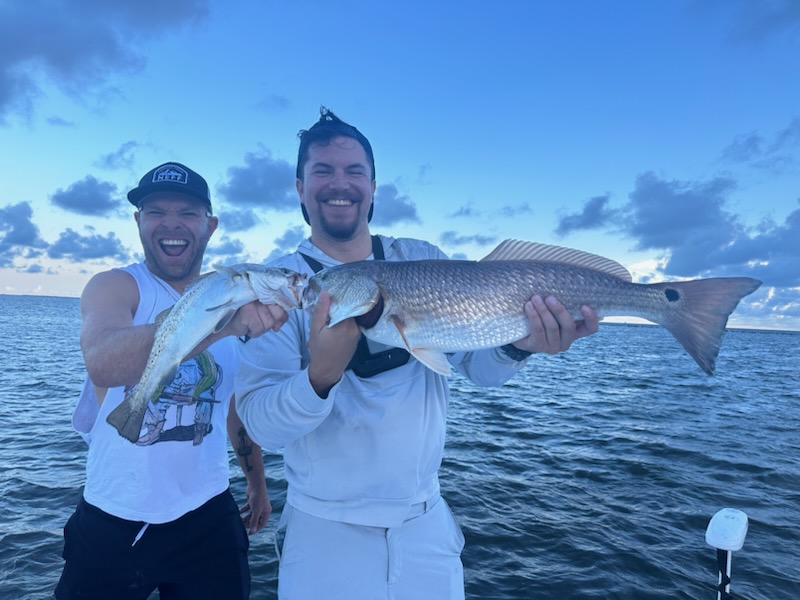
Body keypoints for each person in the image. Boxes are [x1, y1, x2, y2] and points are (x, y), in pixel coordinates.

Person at [234, 108, 600, 599]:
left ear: (373, 186)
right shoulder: (281, 286)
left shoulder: (420, 256)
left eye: (354, 171)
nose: (339, 183)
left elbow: (480, 369)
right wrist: (319, 376)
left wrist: (520, 344)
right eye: (322, 170)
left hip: (426, 525)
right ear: (300, 186)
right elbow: (261, 423)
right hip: (323, 532)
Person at [56, 162, 288, 599]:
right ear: (138, 222)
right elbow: (103, 362)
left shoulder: (233, 295)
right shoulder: (116, 287)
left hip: (207, 513)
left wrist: (256, 482)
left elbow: (231, 406)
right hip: (114, 515)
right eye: (156, 211)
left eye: (187, 212)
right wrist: (223, 325)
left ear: (210, 225)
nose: (171, 224)